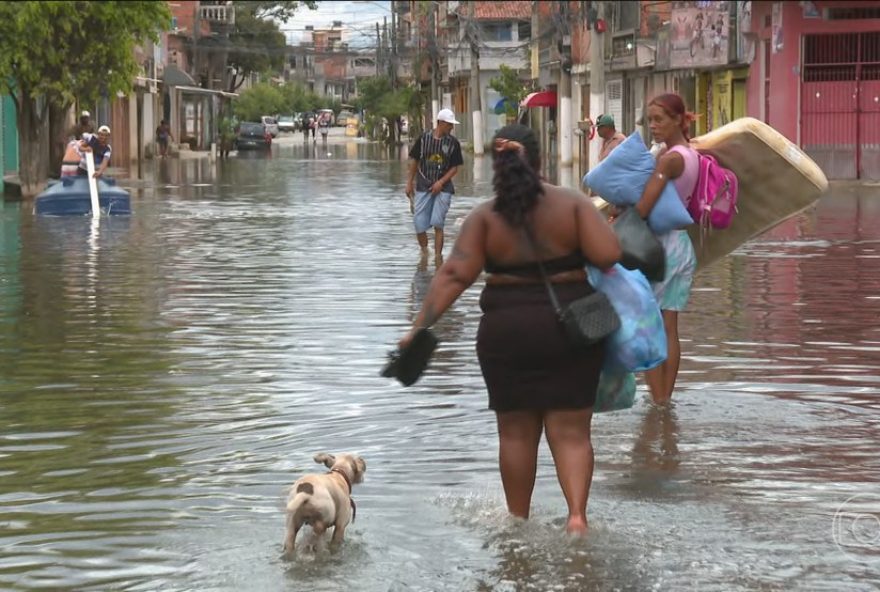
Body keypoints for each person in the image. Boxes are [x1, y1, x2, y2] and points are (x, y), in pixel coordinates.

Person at [397, 124, 621, 534]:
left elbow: (451, 278)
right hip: (573, 329)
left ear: (497, 165)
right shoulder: (573, 204)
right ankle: (576, 519)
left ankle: (517, 522)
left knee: (515, 434)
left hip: (507, 332)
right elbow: (609, 253)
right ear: (538, 158)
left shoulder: (484, 217)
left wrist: (416, 329)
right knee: (571, 433)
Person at [633, 93, 699, 405]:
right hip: (682, 247)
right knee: (669, 327)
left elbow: (644, 207)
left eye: (659, 119)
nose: (654, 126)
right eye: (650, 121)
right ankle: (664, 402)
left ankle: (657, 400)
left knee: (649, 325)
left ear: (677, 120)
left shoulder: (669, 160)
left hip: (660, 249)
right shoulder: (691, 154)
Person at [405, 108, 464, 260]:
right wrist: (409, 183)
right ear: (440, 123)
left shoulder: (453, 143)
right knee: (419, 224)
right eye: (449, 124)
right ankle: (425, 252)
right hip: (424, 184)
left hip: (444, 188)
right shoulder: (424, 139)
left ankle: (438, 259)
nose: (451, 128)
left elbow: (454, 168)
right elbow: (415, 161)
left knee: (438, 223)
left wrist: (441, 182)